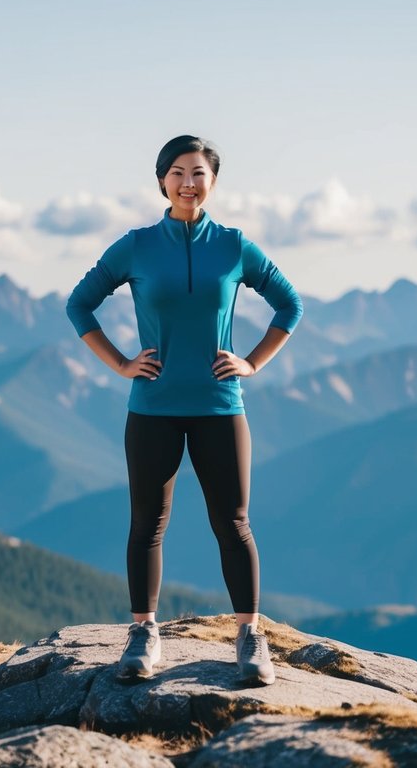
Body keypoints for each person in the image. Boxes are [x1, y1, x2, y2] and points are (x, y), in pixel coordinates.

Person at [66, 134, 302, 685]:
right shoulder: (138, 245)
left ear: (213, 182)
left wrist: (253, 362)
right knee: (147, 524)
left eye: (198, 173)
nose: (188, 183)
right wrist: (122, 363)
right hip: (153, 407)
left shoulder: (236, 246)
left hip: (221, 405)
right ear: (161, 181)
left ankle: (249, 637)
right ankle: (145, 635)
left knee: (234, 524)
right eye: (177, 172)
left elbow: (290, 304)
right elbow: (79, 303)